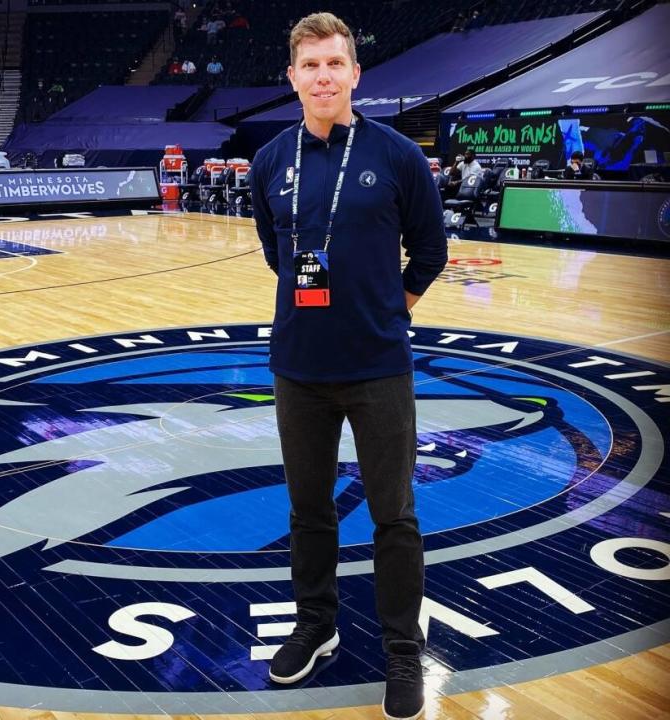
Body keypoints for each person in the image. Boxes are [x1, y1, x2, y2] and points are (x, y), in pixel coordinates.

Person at [248, 12, 447, 720]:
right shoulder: (271, 161)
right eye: (311, 66)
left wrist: (389, 310)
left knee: (393, 515)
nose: (324, 77)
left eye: (336, 64)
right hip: (299, 366)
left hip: (379, 367)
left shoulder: (396, 155)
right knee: (309, 512)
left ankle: (400, 648)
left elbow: (431, 251)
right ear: (293, 77)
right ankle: (317, 624)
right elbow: (280, 253)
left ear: (355, 73)